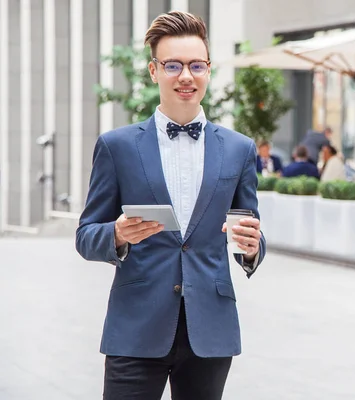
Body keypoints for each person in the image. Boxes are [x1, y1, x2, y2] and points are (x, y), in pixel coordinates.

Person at [75, 11, 266, 400]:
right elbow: (85, 235)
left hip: (209, 330)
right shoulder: (118, 146)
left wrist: (251, 248)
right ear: (153, 71)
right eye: (173, 65)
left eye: (196, 65)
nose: (185, 76)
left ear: (208, 71)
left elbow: (251, 229)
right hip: (135, 326)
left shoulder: (239, 149)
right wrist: (115, 233)